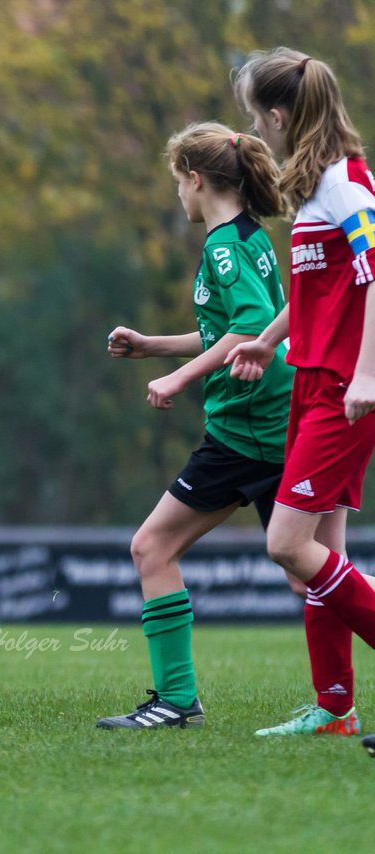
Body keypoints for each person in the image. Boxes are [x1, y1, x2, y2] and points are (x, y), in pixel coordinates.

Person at [97, 122, 294, 730]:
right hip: (277, 418)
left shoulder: (222, 247)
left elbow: (251, 326)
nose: (177, 195)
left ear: (196, 178)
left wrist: (179, 380)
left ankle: (176, 701)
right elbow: (226, 330)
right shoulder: (247, 236)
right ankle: (333, 695)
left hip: (248, 429)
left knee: (150, 547)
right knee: (306, 569)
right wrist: (155, 346)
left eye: (176, 183)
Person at [227, 48, 375, 738]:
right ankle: (336, 708)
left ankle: (338, 702)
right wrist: (269, 339)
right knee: (321, 551)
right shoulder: (317, 187)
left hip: (346, 389)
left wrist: (369, 374)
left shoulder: (347, 184)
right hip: (314, 382)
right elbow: (319, 288)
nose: (259, 127)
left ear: (281, 115)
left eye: (258, 116)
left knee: (287, 544)